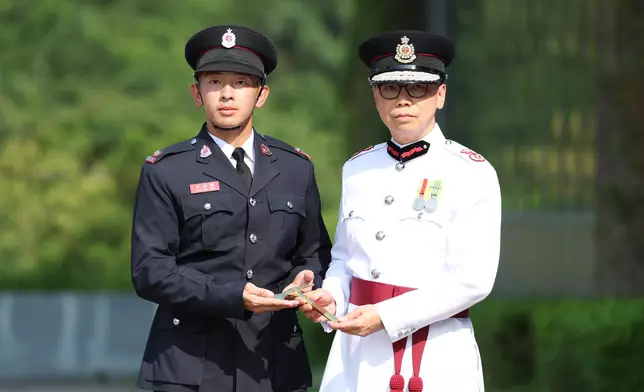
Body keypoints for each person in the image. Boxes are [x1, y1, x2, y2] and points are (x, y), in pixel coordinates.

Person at [130, 24, 332, 392]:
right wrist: (231, 294)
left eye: (241, 83)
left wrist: (309, 281)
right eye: (214, 82)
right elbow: (149, 270)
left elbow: (315, 254)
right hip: (188, 366)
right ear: (197, 92)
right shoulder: (167, 169)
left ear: (262, 94)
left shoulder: (295, 167)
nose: (226, 94)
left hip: (274, 365)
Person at [299, 30, 502, 392]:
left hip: (435, 352)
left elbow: (472, 279)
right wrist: (331, 297)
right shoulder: (357, 168)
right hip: (355, 354)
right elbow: (345, 258)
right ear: (375, 96)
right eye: (390, 88)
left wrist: (387, 316)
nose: (403, 101)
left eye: (418, 89)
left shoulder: (471, 171)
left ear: (440, 95)